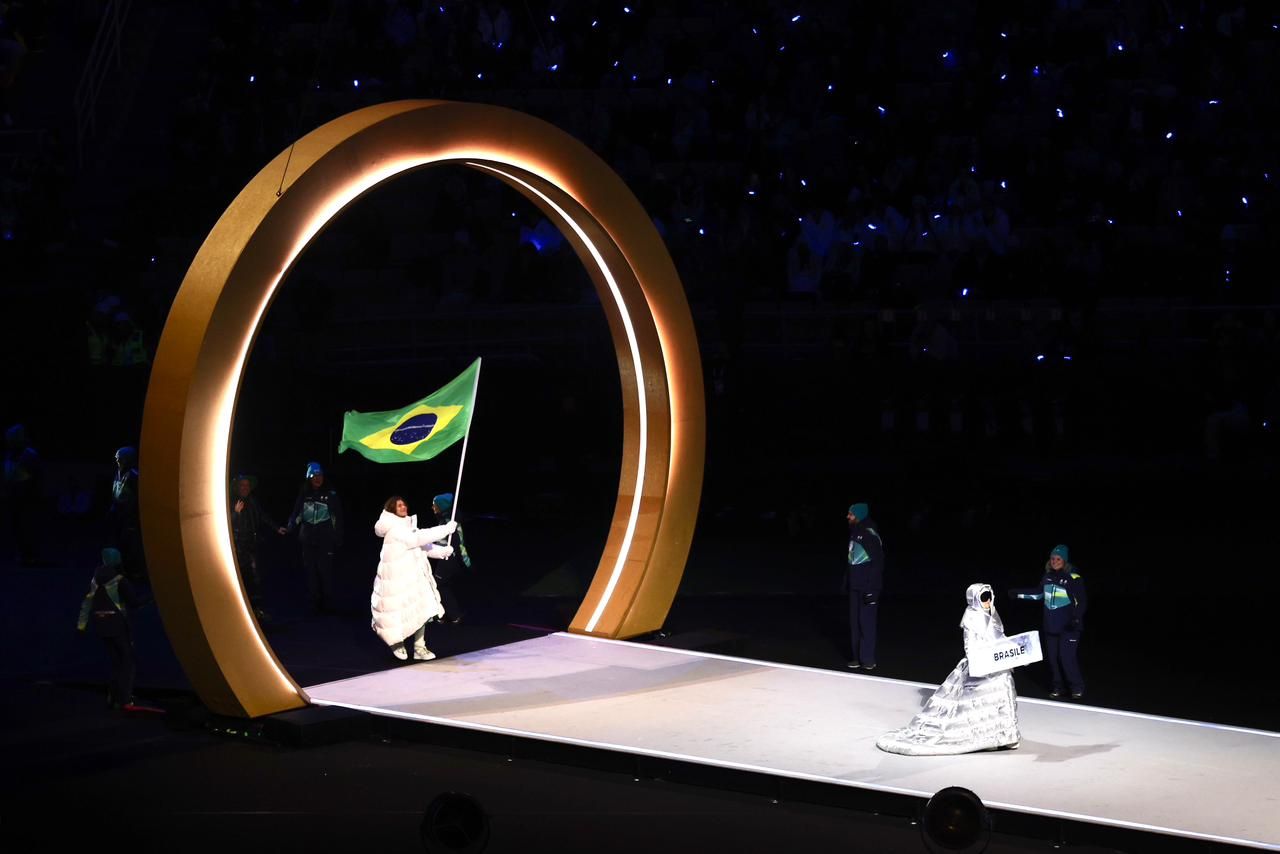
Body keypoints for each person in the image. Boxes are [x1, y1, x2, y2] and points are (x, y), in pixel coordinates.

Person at [876, 583, 1021, 755]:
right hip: (981, 664)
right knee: (979, 703)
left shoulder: (992, 615)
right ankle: (988, 736)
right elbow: (970, 645)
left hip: (997, 664)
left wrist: (1014, 651)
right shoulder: (972, 617)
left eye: (989, 597)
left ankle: (1006, 735)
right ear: (975, 599)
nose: (987, 601)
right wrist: (980, 660)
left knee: (1002, 698)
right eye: (983, 598)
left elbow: (1000, 637)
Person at [371, 496, 455, 661]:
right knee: (396, 614)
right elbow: (418, 538)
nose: (403, 507)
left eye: (404, 504)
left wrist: (442, 551)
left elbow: (422, 546)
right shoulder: (395, 529)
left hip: (413, 578)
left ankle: (419, 647)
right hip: (396, 581)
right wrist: (445, 529)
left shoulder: (407, 527)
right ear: (392, 510)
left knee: (422, 610)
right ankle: (396, 643)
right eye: (399, 505)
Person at [1009, 544, 1087, 699]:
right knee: (1052, 660)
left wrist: (1076, 618)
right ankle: (1058, 687)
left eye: (1058, 559)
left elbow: (1082, 601)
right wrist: (1017, 594)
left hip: (1069, 627)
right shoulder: (1047, 577)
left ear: (1064, 561)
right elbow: (1038, 595)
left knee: (1066, 658)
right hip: (1051, 627)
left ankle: (1076, 688)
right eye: (1052, 559)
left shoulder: (1073, 578)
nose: (1054, 561)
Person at [76, 548, 146, 709]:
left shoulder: (95, 580)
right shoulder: (119, 580)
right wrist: (151, 598)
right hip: (117, 625)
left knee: (116, 661)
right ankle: (125, 699)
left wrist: (81, 625)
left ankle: (114, 697)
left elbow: (87, 602)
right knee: (127, 662)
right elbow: (134, 603)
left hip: (101, 625)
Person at [287, 462, 343, 614]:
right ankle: (314, 602)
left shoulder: (330, 493)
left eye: (320, 475)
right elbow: (297, 513)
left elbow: (337, 517)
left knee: (325, 571)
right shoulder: (304, 494)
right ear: (309, 478)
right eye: (314, 476)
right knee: (311, 572)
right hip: (307, 539)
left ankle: (327, 602)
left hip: (325, 539)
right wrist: (290, 526)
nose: (318, 478)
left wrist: (338, 536)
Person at [229, 474, 286, 621]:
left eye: (247, 485)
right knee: (241, 579)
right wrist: (236, 513)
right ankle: (242, 613)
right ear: (237, 487)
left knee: (255, 579)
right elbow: (227, 523)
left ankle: (256, 611)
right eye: (242, 485)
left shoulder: (253, 501)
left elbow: (262, 516)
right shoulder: (231, 502)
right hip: (238, 548)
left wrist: (276, 528)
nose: (245, 488)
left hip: (251, 546)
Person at [846, 502, 884, 670]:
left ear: (859, 515)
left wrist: (872, 589)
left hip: (867, 587)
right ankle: (857, 657)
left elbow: (878, 563)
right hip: (855, 586)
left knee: (866, 623)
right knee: (855, 624)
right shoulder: (855, 533)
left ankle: (868, 659)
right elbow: (852, 560)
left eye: (851, 514)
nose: (848, 517)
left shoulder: (870, 534)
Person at [3, 423, 42, 566]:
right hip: (15, 497)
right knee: (17, 527)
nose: (9, 442)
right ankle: (23, 554)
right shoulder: (11, 454)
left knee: (27, 527)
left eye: (12, 439)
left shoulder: (28, 454)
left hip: (26, 498)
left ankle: (30, 555)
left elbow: (30, 477)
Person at [430, 492, 471, 623]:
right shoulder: (444, 521)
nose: (432, 507)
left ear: (442, 506)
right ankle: (448, 615)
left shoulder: (450, 523)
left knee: (437, 585)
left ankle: (448, 615)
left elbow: (458, 543)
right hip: (445, 560)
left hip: (448, 561)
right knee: (441, 586)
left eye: (435, 505)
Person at [108, 446, 146, 583]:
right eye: (117, 458)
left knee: (131, 545)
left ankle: (135, 573)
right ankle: (123, 571)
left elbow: (137, 499)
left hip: (129, 518)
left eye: (120, 458)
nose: (117, 461)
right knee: (121, 545)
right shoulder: (119, 473)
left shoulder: (134, 476)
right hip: (118, 516)